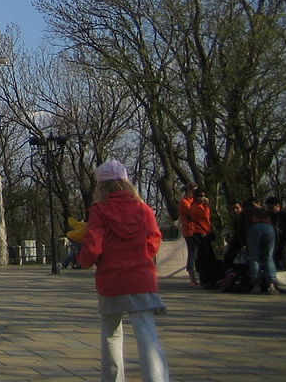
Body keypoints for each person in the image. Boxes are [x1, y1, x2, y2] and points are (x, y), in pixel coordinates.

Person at [78, 159, 171, 382]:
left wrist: (84, 260)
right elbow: (154, 238)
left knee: (111, 334)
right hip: (141, 278)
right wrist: (141, 256)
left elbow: (94, 245)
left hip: (112, 280)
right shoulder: (144, 209)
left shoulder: (99, 210)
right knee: (147, 334)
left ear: (101, 186)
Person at [241, 198, 278, 293]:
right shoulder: (263, 211)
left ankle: (256, 285)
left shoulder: (245, 212)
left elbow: (239, 229)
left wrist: (242, 243)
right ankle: (271, 285)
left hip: (253, 228)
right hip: (269, 228)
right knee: (269, 257)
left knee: (254, 257)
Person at [177, 182, 199, 286]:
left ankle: (197, 277)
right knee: (193, 253)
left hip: (197, 229)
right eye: (193, 191)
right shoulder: (184, 202)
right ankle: (192, 279)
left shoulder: (192, 201)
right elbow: (193, 213)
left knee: (197, 253)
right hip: (190, 231)